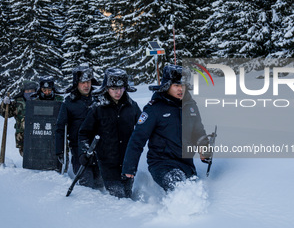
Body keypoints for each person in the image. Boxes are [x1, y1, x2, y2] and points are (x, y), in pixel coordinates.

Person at [122, 65, 209, 192]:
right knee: (180, 190)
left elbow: (198, 131)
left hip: (186, 164)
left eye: (183, 85)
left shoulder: (191, 106)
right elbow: (137, 139)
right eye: (176, 85)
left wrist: (204, 147)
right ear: (167, 85)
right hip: (162, 163)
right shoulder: (154, 109)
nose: (181, 89)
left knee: (196, 192)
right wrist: (129, 167)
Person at [78, 68, 141, 198]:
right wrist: (85, 152)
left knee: (127, 194)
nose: (118, 92)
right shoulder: (98, 108)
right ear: (106, 88)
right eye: (113, 89)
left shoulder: (132, 106)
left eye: (121, 88)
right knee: (118, 195)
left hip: (128, 160)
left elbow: (143, 128)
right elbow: (84, 133)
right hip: (107, 161)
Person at [55, 66, 103, 189]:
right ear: (77, 83)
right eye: (83, 82)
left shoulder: (99, 98)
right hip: (79, 149)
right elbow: (60, 127)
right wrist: (59, 150)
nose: (86, 85)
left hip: (99, 147)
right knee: (86, 182)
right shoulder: (69, 102)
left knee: (101, 181)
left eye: (88, 82)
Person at [0, 81, 38, 157]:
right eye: (27, 91)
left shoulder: (39, 101)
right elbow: (3, 113)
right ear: (23, 91)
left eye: (32, 91)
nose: (30, 93)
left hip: (38, 133)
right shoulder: (17, 102)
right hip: (22, 135)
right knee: (26, 155)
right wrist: (4, 104)